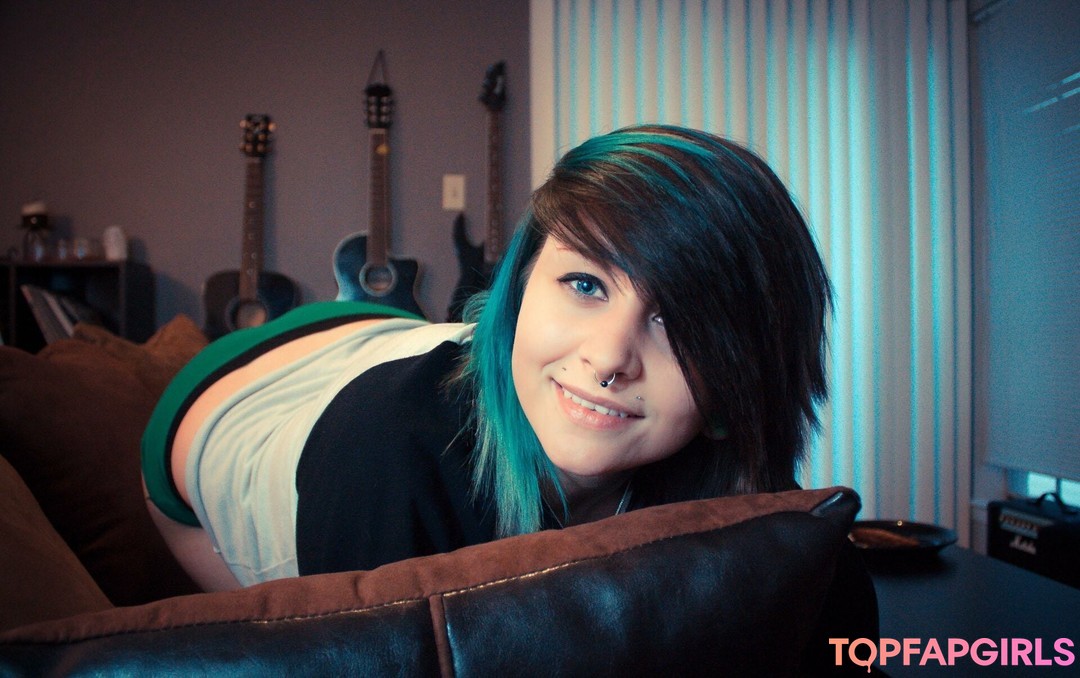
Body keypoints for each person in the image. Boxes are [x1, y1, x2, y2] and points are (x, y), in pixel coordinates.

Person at [142, 125, 857, 603]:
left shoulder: (734, 472)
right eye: (585, 284)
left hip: (390, 336)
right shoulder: (386, 454)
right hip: (228, 398)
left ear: (742, 378)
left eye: (681, 320)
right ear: (520, 288)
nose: (610, 358)